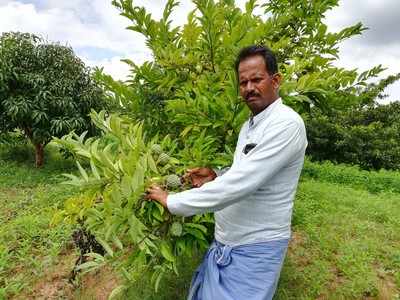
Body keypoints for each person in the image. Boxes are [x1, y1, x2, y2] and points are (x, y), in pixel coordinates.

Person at [146, 45, 308, 300]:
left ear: (275, 80)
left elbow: (242, 183)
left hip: (255, 248)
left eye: (256, 79)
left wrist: (172, 201)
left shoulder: (287, 125)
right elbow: (245, 172)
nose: (249, 88)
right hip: (228, 243)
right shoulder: (250, 125)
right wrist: (216, 176)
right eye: (243, 82)